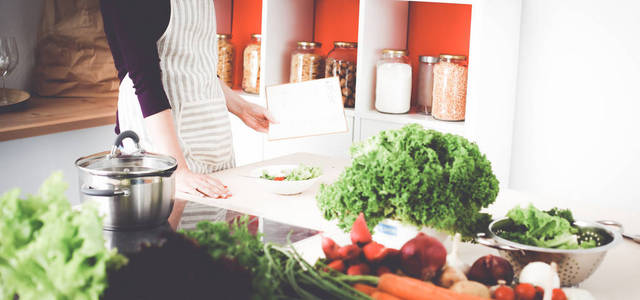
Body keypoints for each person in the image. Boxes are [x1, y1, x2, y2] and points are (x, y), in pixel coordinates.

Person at [100, 0, 274, 229]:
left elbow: (194, 64)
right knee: (171, 249)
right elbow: (145, 78)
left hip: (212, 136)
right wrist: (177, 169)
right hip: (163, 143)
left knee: (214, 242)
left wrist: (241, 107)